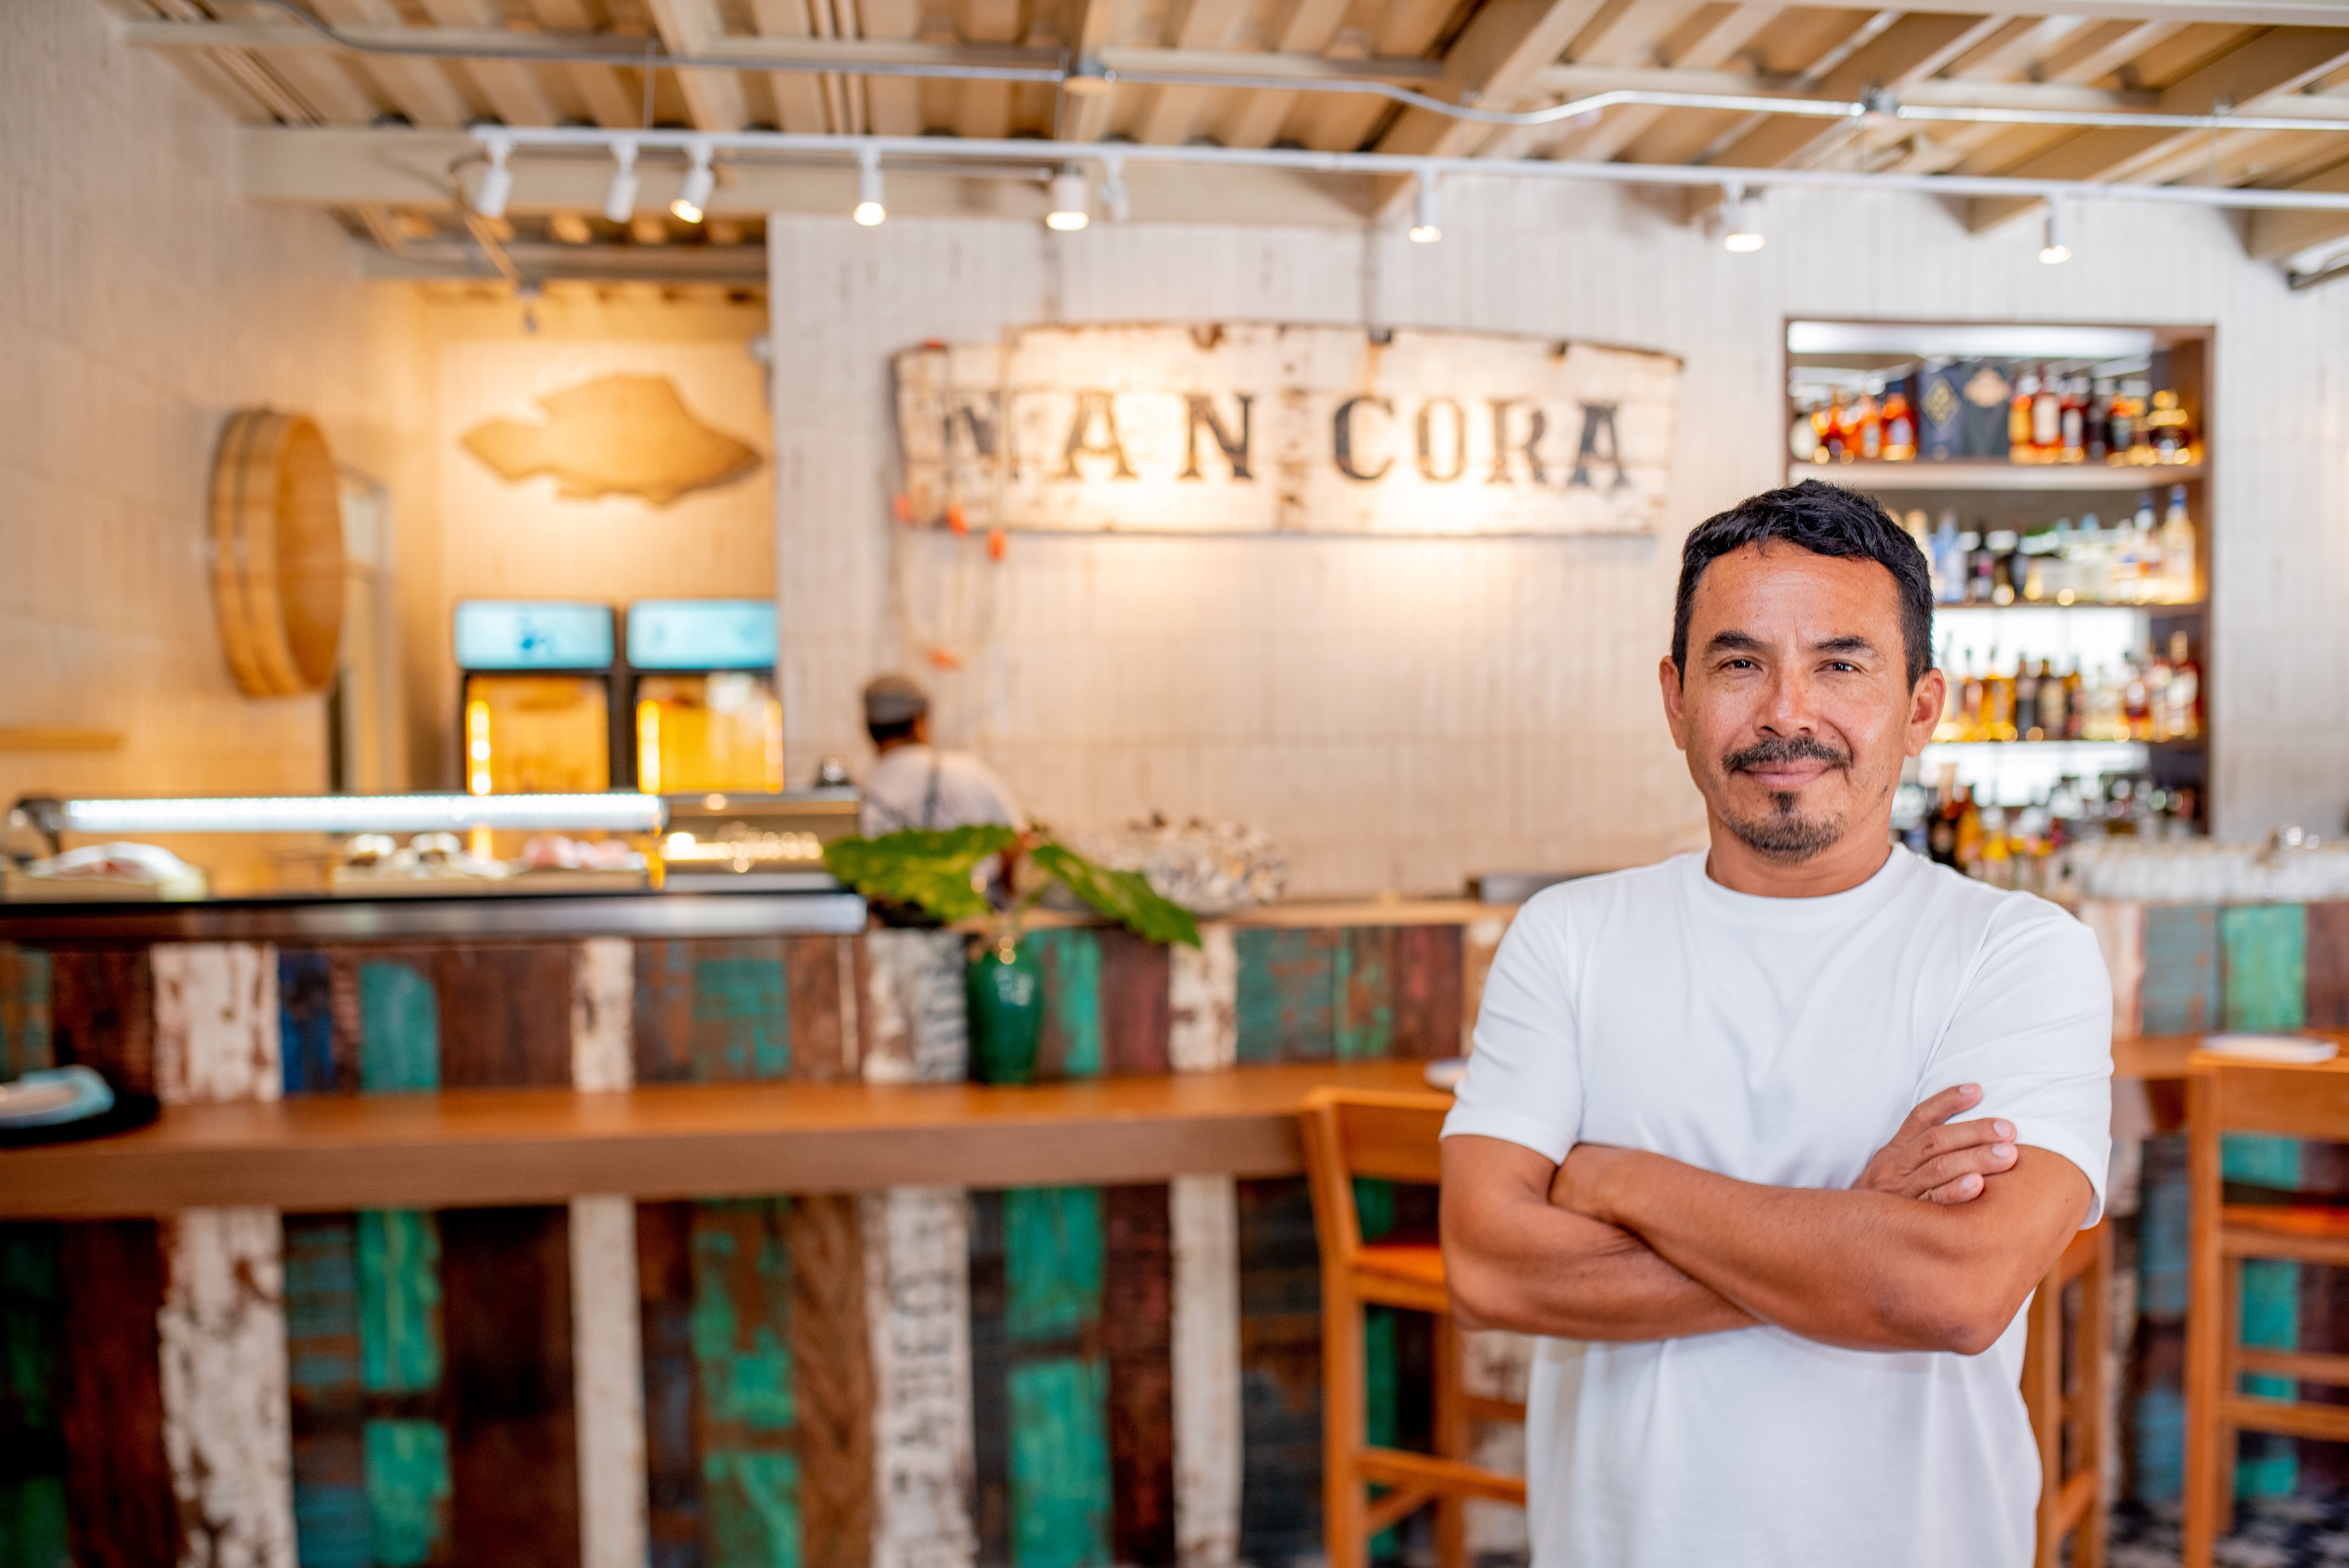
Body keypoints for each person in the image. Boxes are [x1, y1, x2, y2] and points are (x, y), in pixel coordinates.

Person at [1439, 479, 2111, 1567]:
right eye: (1739, 662)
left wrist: (1619, 1180)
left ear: (1923, 705)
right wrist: (1852, 1231)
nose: (1786, 712)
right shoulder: (1568, 935)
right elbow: (1488, 1266)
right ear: (1674, 697)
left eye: (1841, 663)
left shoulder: (2017, 951)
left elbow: (1950, 1287)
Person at [857, 673, 1027, 837]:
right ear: (919, 724)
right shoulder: (970, 772)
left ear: (870, 732)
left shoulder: (859, 796)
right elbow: (1016, 841)